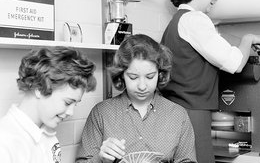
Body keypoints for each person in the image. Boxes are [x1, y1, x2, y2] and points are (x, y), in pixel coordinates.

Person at [160, 0, 260, 162]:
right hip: (193, 113)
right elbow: (235, 63)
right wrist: (248, 39)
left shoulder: (175, 23)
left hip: (175, 111)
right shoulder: (195, 19)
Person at [76, 34, 197, 163]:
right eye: (133, 77)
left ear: (160, 74)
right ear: (121, 74)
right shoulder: (101, 113)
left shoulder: (178, 115)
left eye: (150, 77)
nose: (142, 86)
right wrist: (100, 159)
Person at [0, 46, 96, 163]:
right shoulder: (5, 142)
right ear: (39, 88)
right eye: (67, 103)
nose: (71, 112)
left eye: (75, 104)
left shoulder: (48, 136)